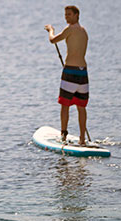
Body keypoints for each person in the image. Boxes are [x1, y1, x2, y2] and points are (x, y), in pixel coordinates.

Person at [45, 5, 89, 145]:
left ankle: (63, 135)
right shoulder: (84, 32)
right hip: (83, 73)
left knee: (65, 105)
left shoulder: (70, 29)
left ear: (77, 15)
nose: (66, 17)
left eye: (69, 14)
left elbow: (53, 40)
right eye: (65, 15)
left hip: (70, 71)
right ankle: (82, 139)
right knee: (81, 107)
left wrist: (50, 30)